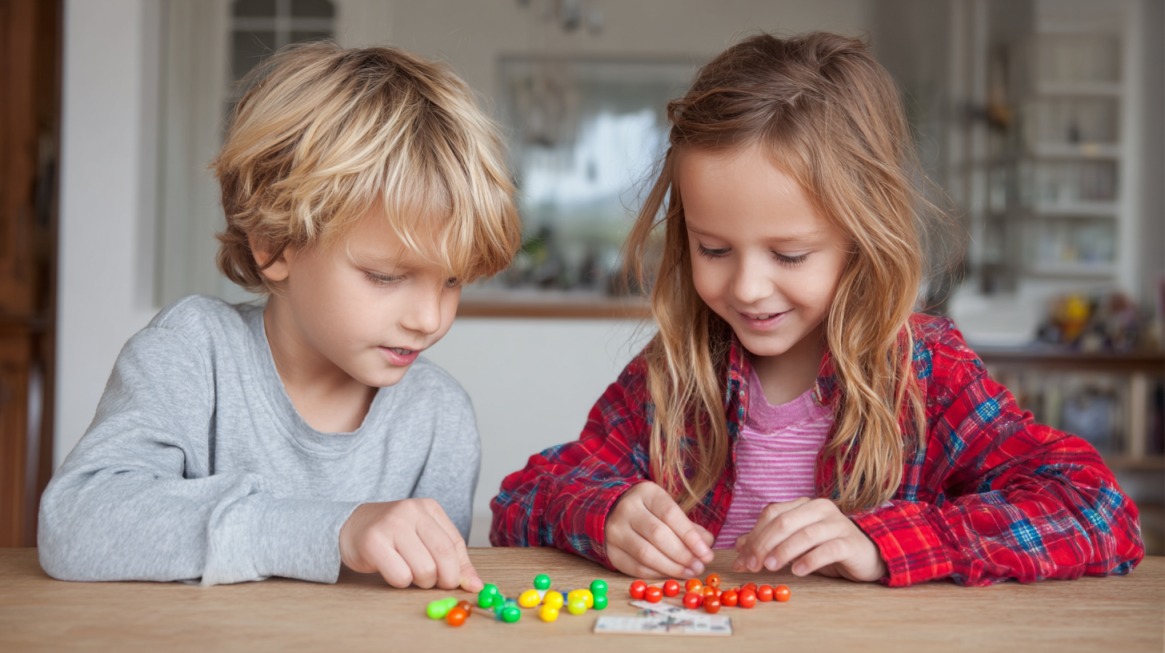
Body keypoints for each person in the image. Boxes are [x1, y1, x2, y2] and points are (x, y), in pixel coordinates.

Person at [489, 32, 1144, 586]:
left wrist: (883, 542)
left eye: (789, 255)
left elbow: (1094, 507)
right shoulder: (671, 377)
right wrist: (604, 513)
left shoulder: (925, 375)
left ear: (860, 239)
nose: (746, 287)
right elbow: (519, 499)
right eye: (713, 248)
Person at [39, 42, 521, 591]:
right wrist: (330, 530)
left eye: (453, 280)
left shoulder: (439, 418)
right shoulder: (192, 354)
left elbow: (419, 609)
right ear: (274, 246)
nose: (430, 318)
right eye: (387, 277)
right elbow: (74, 523)